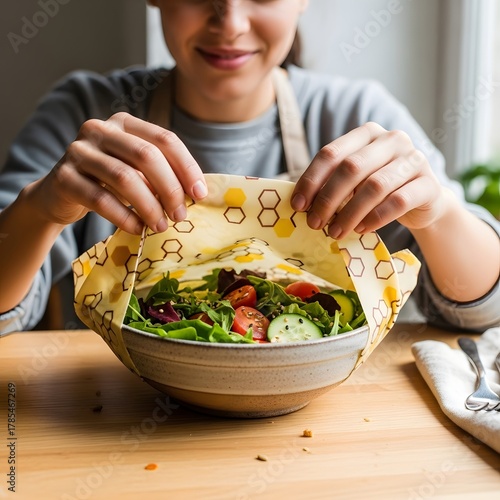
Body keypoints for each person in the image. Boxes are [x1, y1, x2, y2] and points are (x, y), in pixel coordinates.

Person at [0, 0, 499, 335]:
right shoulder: (84, 110)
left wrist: (439, 215)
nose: (230, 22)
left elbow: (481, 307)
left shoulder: (355, 116)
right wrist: (41, 209)